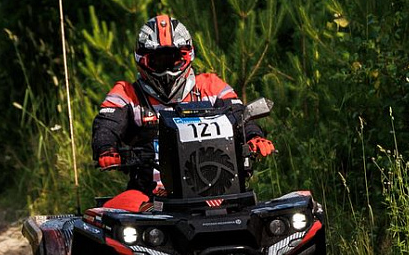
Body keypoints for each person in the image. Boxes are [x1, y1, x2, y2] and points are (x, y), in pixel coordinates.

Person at [91, 14, 273, 208]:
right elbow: (106, 125)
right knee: (113, 216)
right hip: (150, 199)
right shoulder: (127, 93)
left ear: (187, 56)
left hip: (217, 192)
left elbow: (240, 115)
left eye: (174, 59)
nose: (167, 70)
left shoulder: (210, 86)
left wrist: (254, 136)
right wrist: (106, 149)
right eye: (158, 61)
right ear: (142, 60)